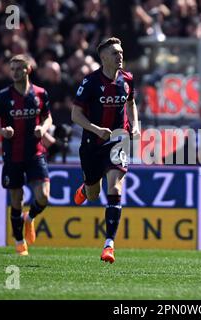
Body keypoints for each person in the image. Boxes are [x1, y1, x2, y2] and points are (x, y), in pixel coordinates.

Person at [71, 37, 140, 264]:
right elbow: (75, 115)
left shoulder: (127, 79)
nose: (120, 56)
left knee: (115, 185)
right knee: (93, 195)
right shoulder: (90, 82)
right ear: (103, 58)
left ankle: (109, 245)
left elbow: (130, 103)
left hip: (118, 140)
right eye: (114, 53)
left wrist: (136, 126)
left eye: (121, 52)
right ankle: (86, 187)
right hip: (92, 143)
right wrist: (95, 129)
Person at [0, 54, 52, 256]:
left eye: (18, 69)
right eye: (11, 69)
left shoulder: (40, 94)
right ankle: (19, 241)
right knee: (16, 198)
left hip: (35, 154)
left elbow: (48, 117)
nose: (14, 72)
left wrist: (43, 128)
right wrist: (2, 132)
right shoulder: (4, 96)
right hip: (12, 155)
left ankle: (30, 218)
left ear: (28, 70)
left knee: (44, 196)